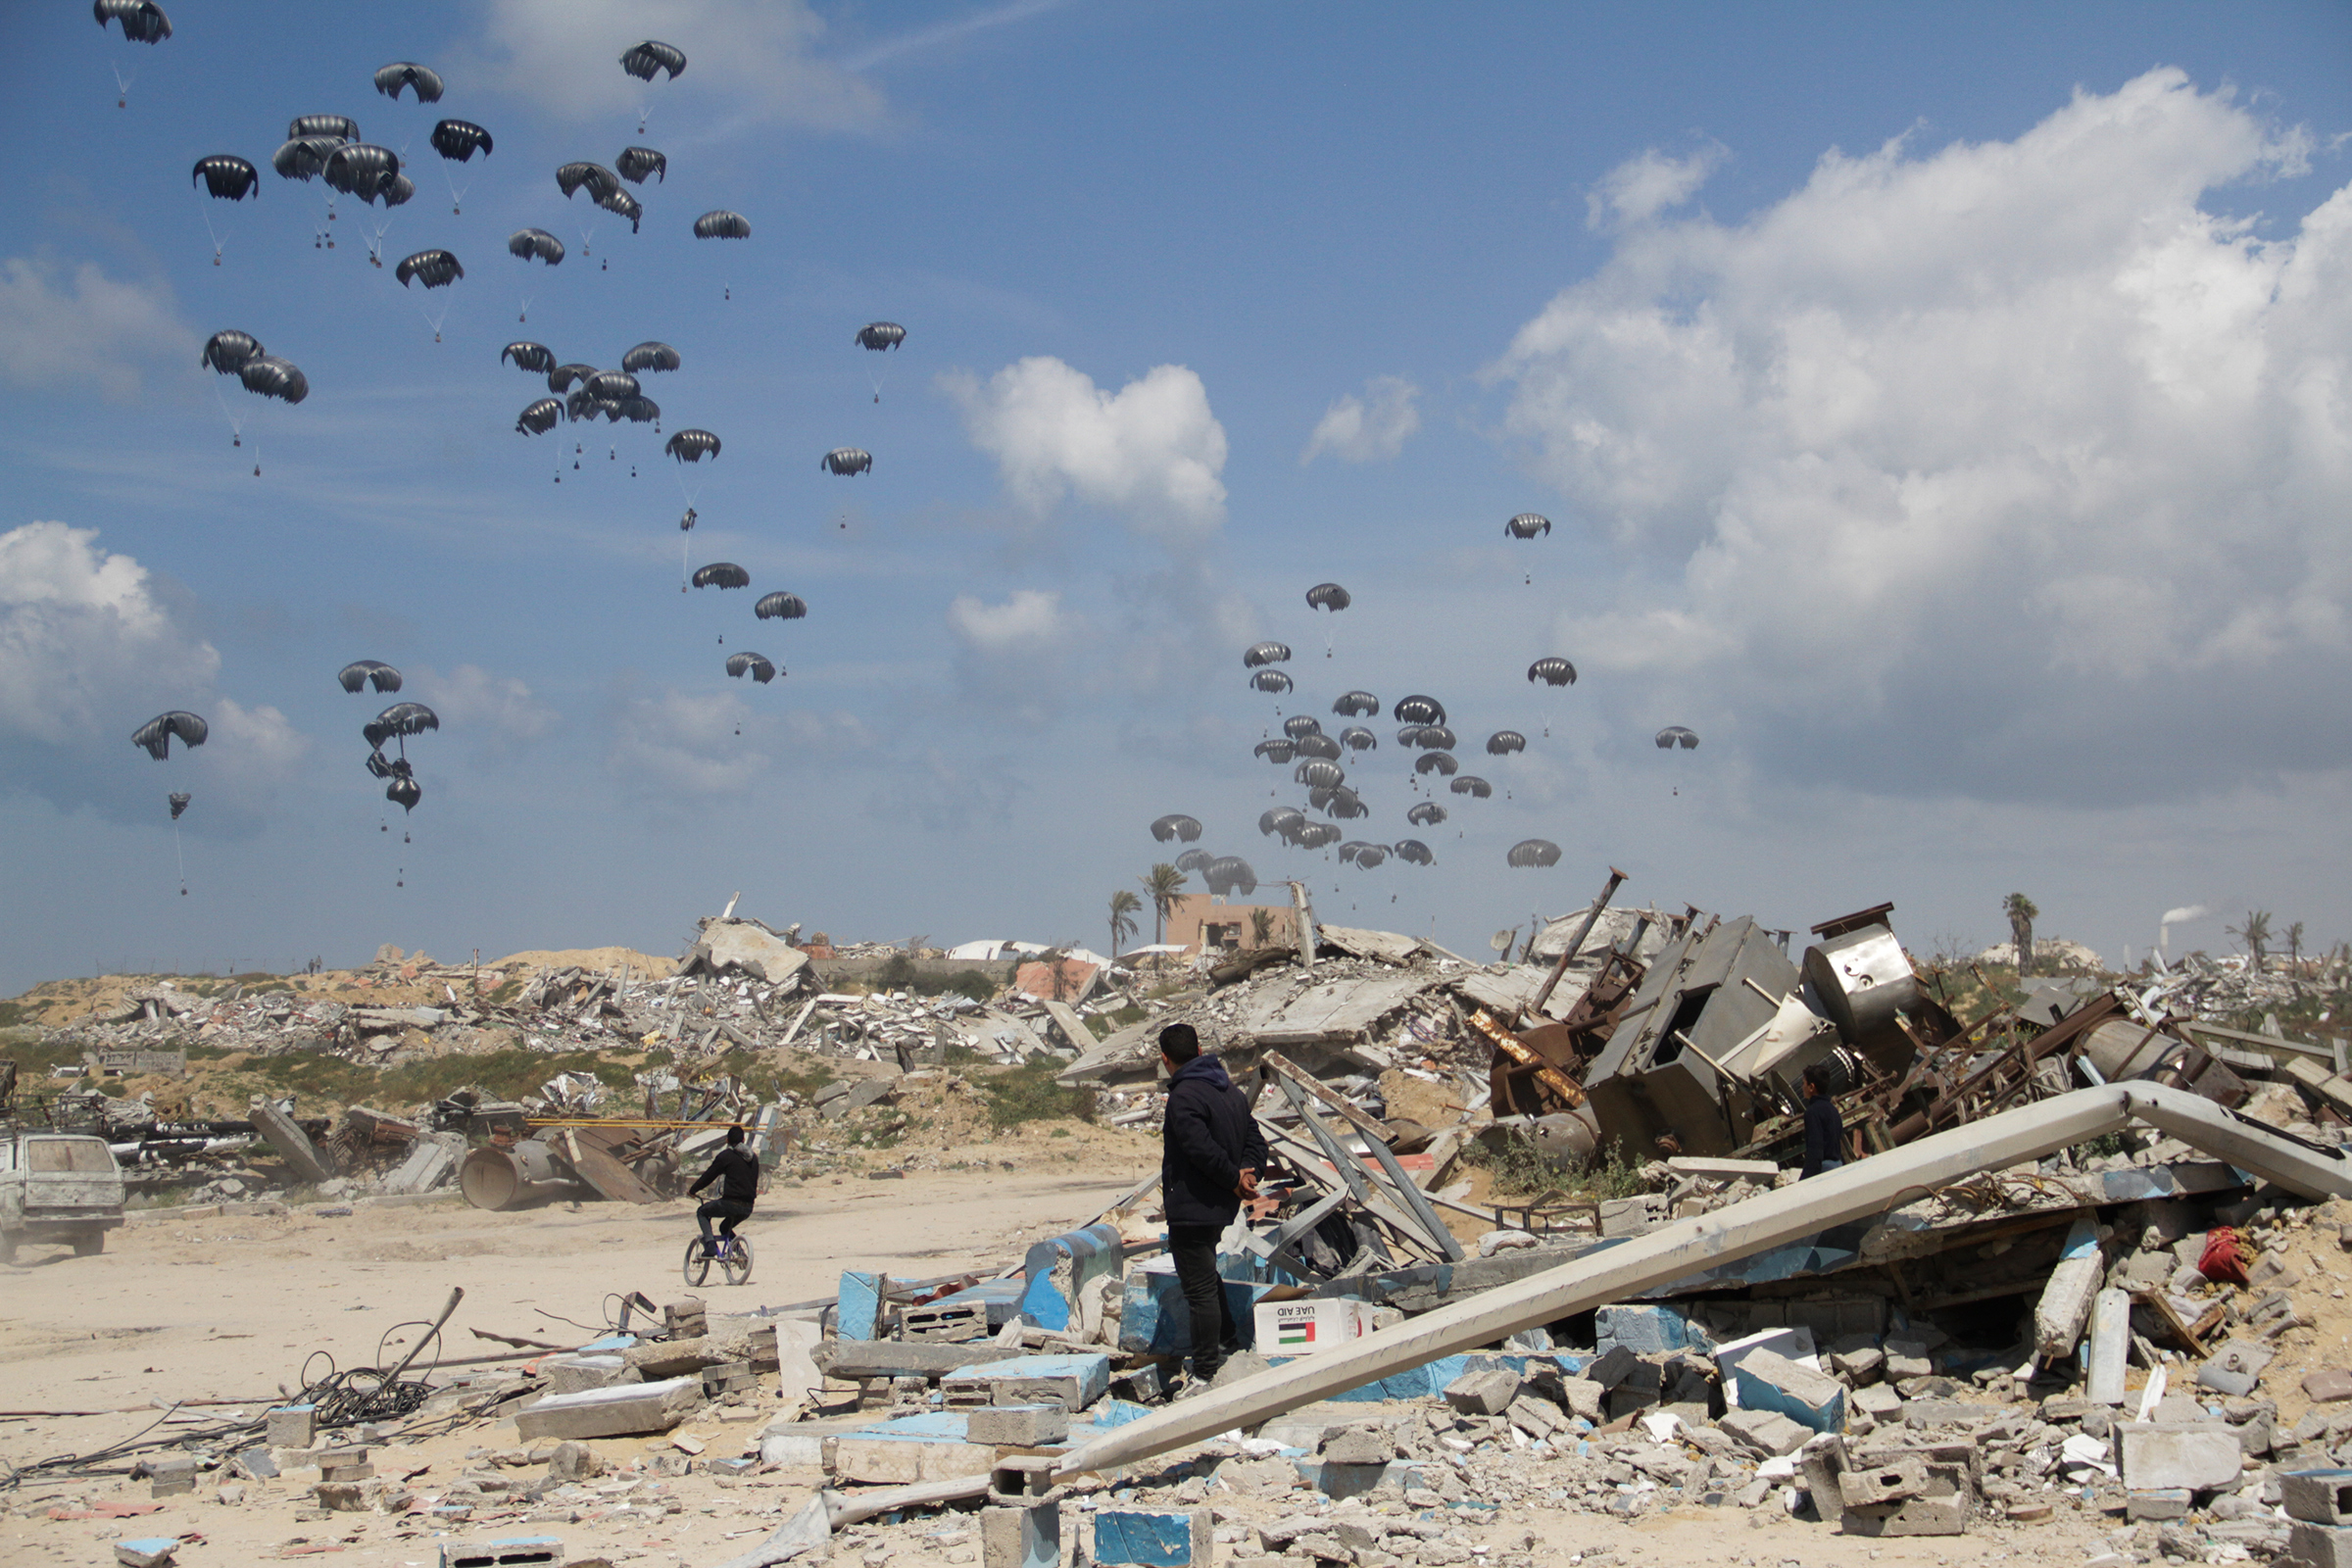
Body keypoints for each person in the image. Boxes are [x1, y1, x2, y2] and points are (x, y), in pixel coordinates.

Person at [1159, 1022, 1267, 1387]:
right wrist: (1247, 1175)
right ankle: (1229, 1340)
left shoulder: (1184, 1096)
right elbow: (1255, 1139)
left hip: (1192, 1207)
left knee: (1199, 1289)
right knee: (1206, 1275)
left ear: (1165, 1058)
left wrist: (1234, 1178)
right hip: (1220, 1206)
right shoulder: (1230, 1092)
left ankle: (1206, 1372)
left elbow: (1199, 1149)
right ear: (1200, 1048)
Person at [688, 1124, 760, 1256]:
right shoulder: (754, 1158)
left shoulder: (726, 1156)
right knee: (724, 1228)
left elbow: (709, 1176)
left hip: (730, 1203)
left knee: (702, 1212)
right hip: (748, 1207)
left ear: (727, 1141)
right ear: (743, 1140)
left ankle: (710, 1245)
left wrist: (693, 1190)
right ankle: (741, 1255)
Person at [1800, 1065, 1846, 1179]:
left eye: (1804, 1084)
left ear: (1811, 1087)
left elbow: (1815, 1151)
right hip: (1838, 1167)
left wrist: (1803, 1182)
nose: (1802, 1087)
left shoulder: (1812, 1112)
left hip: (1824, 1171)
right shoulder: (1833, 1110)